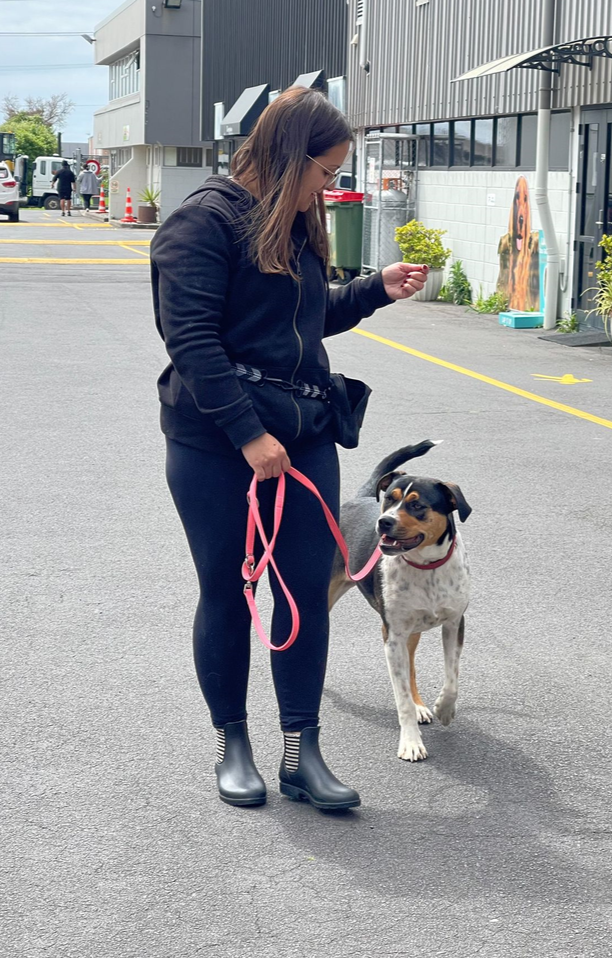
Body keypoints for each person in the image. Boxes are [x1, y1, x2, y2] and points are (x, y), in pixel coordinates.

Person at [150, 87, 427, 812]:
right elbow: (191, 341)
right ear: (287, 155)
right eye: (324, 171)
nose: (326, 188)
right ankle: (232, 745)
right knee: (227, 589)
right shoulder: (202, 223)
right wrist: (248, 434)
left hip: (303, 435)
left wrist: (372, 290)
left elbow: (299, 321)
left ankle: (302, 755)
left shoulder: (294, 222)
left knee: (305, 593)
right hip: (215, 444)